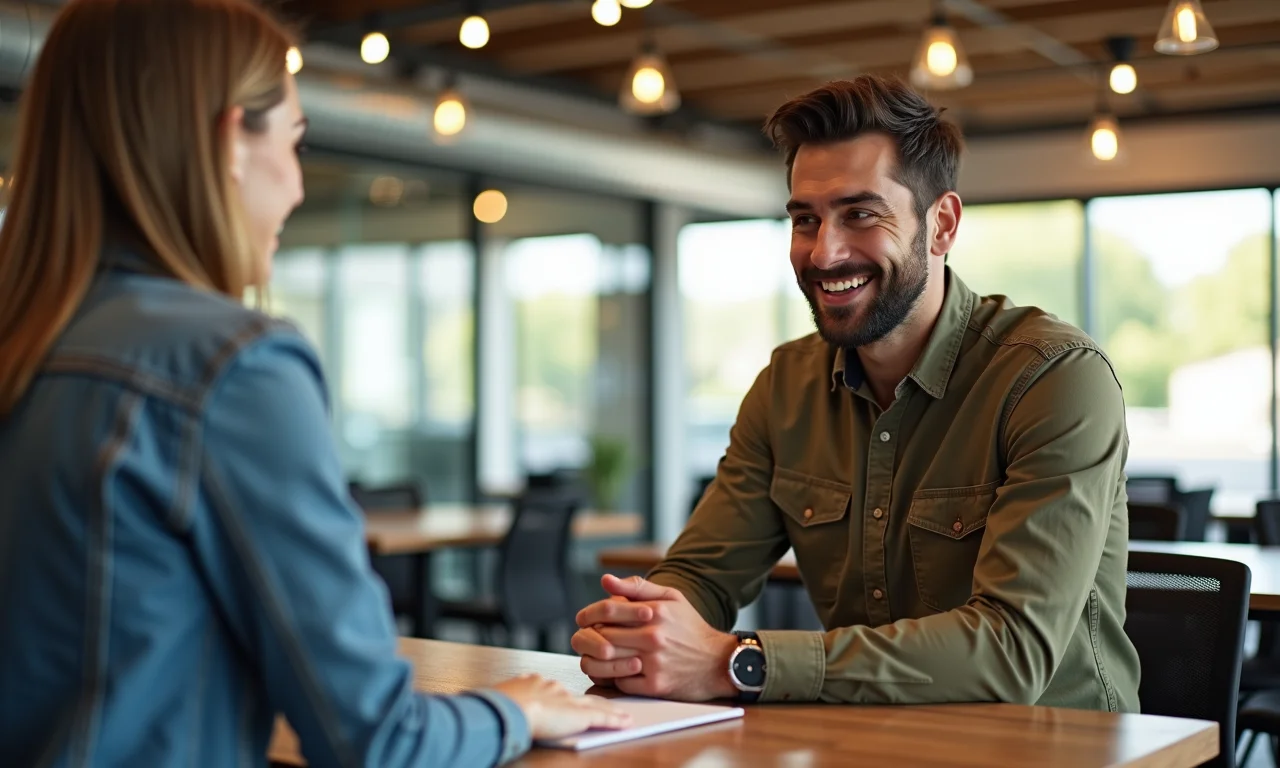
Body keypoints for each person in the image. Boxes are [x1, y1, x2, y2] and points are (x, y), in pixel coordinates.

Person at [0, 1, 625, 766]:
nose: (296, 188)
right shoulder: (230, 365)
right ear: (232, 140)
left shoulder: (26, 348)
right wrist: (512, 710)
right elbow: (373, 739)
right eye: (295, 143)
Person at [572, 75, 1141, 712]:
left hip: (1057, 748)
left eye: (860, 214)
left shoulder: (1053, 377)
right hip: (866, 736)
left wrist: (740, 662)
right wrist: (644, 629)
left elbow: (1013, 651)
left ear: (942, 225)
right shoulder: (785, 387)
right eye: (805, 220)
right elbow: (704, 573)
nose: (824, 252)